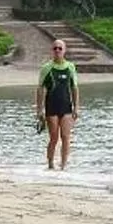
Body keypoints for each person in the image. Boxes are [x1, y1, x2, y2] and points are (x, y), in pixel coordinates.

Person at [35, 38, 80, 170]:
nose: (57, 50)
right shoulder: (46, 68)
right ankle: (50, 164)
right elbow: (40, 89)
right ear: (52, 51)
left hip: (66, 107)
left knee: (66, 137)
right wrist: (39, 109)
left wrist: (76, 107)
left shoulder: (70, 67)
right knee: (54, 137)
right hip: (51, 106)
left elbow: (75, 88)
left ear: (64, 50)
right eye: (55, 48)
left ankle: (64, 165)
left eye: (60, 48)